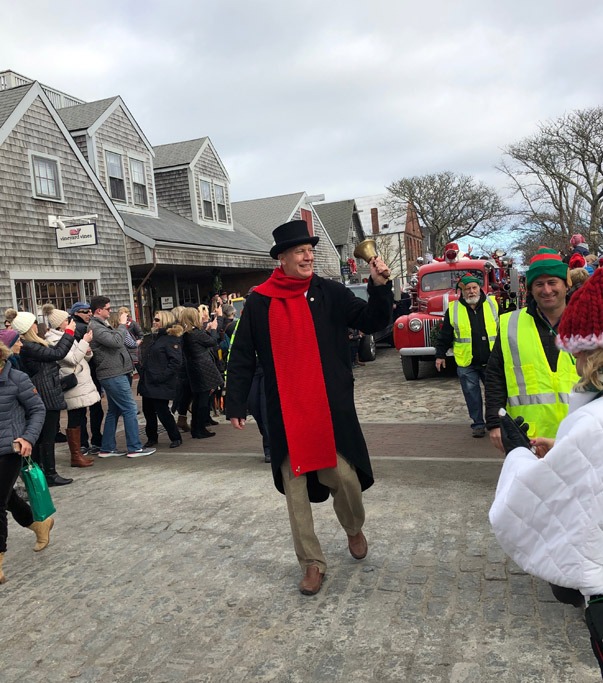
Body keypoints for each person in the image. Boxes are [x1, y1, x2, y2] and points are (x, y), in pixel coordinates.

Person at [226, 219, 392, 596]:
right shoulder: (259, 301)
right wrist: (235, 400)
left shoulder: (329, 292)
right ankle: (312, 564)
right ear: (281, 258)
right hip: (285, 409)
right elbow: (241, 354)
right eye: (300, 251)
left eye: (310, 251)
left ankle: (353, 527)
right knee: (295, 491)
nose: (308, 256)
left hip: (327, 408)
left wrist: (380, 287)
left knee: (345, 479)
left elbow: (373, 321)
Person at [489, 266, 603, 678]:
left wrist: (518, 457)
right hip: (560, 441)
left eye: (579, 351)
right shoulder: (512, 324)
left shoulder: (593, 421)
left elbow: (521, 508)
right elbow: (495, 373)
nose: (573, 359)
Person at [485, 247, 579, 450]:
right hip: (528, 438)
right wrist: (494, 422)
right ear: (530, 288)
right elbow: (495, 374)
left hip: (580, 436)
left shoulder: (588, 322)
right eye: (539, 284)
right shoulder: (511, 324)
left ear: (566, 284)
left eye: (552, 282)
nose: (546, 290)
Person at [0, 340, 53, 584]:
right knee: (6, 497)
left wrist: (28, 437)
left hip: (9, 450)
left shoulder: (17, 379)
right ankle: (38, 524)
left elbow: (38, 409)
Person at [12, 311, 75, 486]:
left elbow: (54, 352)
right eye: (33, 323)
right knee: (46, 437)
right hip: (45, 395)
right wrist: (69, 332)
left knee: (43, 437)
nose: (36, 326)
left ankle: (42, 472)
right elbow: (58, 354)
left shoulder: (32, 345)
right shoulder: (29, 347)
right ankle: (49, 474)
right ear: (28, 327)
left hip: (46, 392)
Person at [88, 296, 155, 459]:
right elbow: (116, 341)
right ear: (99, 310)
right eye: (108, 309)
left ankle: (107, 448)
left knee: (115, 410)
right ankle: (134, 447)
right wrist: (123, 325)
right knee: (130, 408)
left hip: (117, 371)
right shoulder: (95, 326)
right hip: (112, 373)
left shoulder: (102, 324)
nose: (110, 311)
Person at [435, 274, 499, 438]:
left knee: (494, 394)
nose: (471, 292)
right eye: (467, 289)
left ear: (480, 288)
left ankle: (495, 424)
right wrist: (440, 355)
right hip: (466, 362)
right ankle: (478, 424)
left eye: (474, 288)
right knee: (472, 395)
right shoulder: (454, 309)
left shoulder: (493, 305)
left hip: (491, 360)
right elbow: (445, 334)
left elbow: (503, 330)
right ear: (461, 292)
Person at [43, 304, 98, 468]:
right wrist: (84, 342)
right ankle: (76, 454)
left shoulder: (67, 336)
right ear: (60, 323)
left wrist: (87, 352)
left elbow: (80, 357)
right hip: (72, 382)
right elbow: (72, 359)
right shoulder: (53, 339)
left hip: (80, 380)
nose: (70, 321)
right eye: (67, 319)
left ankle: (80, 452)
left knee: (81, 415)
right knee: (75, 416)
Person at [138, 311, 184, 449]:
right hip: (148, 381)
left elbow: (176, 361)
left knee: (162, 411)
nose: (154, 322)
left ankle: (175, 437)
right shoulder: (154, 338)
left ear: (164, 320)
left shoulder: (170, 339)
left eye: (157, 319)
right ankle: (152, 437)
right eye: (154, 319)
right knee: (148, 412)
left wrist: (162, 376)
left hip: (159, 382)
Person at [180, 307, 222, 439]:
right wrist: (214, 328)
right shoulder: (196, 333)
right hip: (203, 368)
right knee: (203, 400)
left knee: (198, 399)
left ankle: (196, 427)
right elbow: (213, 342)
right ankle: (199, 428)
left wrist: (207, 330)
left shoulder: (187, 334)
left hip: (194, 368)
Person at [69, 301, 103, 455]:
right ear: (76, 313)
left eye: (90, 311)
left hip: (85, 374)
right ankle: (93, 441)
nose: (89, 314)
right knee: (91, 409)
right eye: (84, 311)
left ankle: (84, 443)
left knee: (82, 411)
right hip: (84, 375)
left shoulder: (80, 328)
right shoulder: (83, 329)